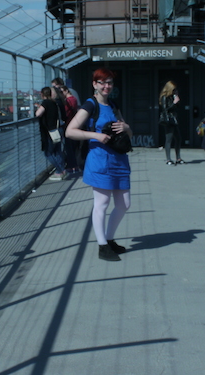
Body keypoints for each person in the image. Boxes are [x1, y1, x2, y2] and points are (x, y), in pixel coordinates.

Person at [65, 68, 132, 261]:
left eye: (109, 82)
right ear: (94, 84)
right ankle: (102, 246)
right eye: (102, 82)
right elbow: (70, 131)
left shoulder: (113, 105)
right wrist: (94, 135)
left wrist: (126, 128)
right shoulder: (90, 105)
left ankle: (109, 239)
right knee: (101, 203)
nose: (106, 86)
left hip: (119, 160)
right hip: (100, 161)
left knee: (124, 204)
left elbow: (128, 133)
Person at [35, 87, 66, 181]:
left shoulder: (46, 102)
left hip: (50, 131)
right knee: (57, 151)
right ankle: (60, 171)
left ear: (42, 94)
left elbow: (38, 114)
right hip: (58, 130)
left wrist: (38, 108)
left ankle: (61, 170)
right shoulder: (54, 103)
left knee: (48, 153)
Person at [159, 81, 184, 165]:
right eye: (173, 90)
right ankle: (168, 159)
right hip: (168, 120)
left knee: (178, 138)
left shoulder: (172, 97)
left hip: (174, 119)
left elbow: (177, 107)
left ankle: (178, 157)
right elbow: (165, 109)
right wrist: (173, 103)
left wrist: (176, 100)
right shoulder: (164, 97)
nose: (175, 91)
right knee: (168, 139)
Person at [61, 85, 79, 173]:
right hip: (74, 123)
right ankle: (74, 165)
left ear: (66, 91)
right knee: (73, 146)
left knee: (69, 147)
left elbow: (65, 113)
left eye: (61, 92)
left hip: (68, 124)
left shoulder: (68, 101)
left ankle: (71, 166)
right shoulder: (74, 99)